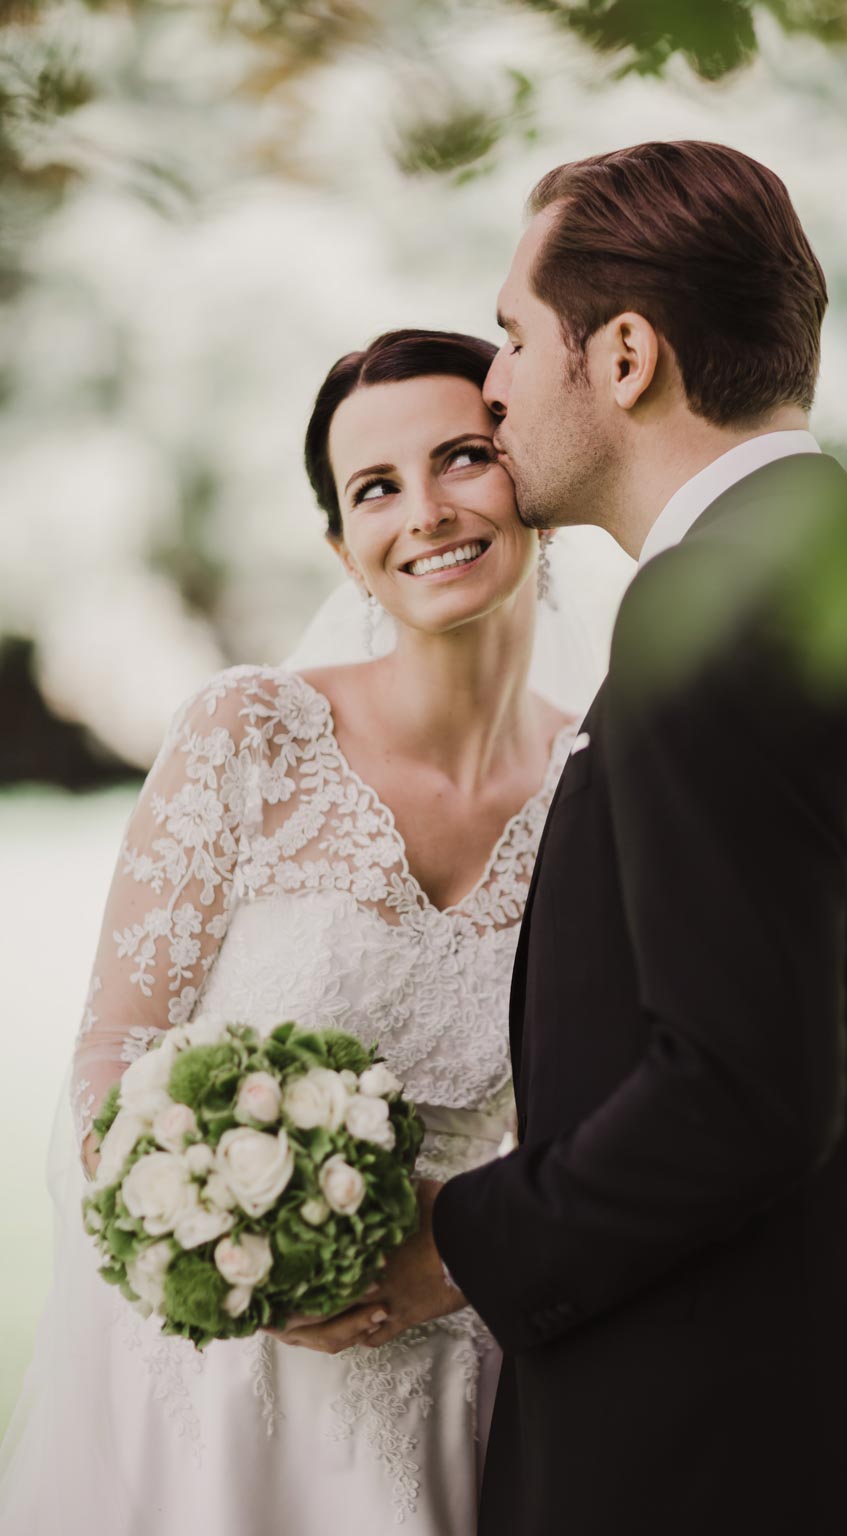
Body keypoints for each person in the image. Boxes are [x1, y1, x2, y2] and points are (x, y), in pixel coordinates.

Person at [287, 142, 847, 1534]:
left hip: (714, 1472)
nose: (496, 387)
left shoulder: (707, 625)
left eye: (512, 334)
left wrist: (450, 1245)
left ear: (623, 355)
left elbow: (740, 1094)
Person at [0, 328, 589, 1536]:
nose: (424, 511)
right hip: (217, 1383)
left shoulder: (601, 781)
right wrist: (225, 1252)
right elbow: (114, 1058)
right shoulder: (247, 735)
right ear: (343, 550)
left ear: (528, 474)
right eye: (376, 488)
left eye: (463, 458)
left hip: (456, 1376)